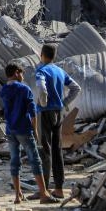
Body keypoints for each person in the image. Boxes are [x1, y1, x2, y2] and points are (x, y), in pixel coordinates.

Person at [0, 62, 56, 204]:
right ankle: (43, 193)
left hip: (10, 129)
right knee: (35, 160)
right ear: (17, 73)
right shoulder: (24, 89)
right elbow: (33, 112)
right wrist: (36, 130)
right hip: (24, 128)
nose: (23, 76)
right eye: (22, 73)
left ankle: (18, 195)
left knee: (15, 161)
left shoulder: (4, 90)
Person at [34, 43, 82, 199]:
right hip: (59, 112)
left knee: (45, 150)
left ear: (42, 55)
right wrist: (65, 103)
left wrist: (43, 102)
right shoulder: (60, 71)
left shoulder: (41, 71)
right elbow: (76, 88)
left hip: (45, 113)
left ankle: (45, 189)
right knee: (57, 150)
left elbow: (41, 88)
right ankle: (59, 188)